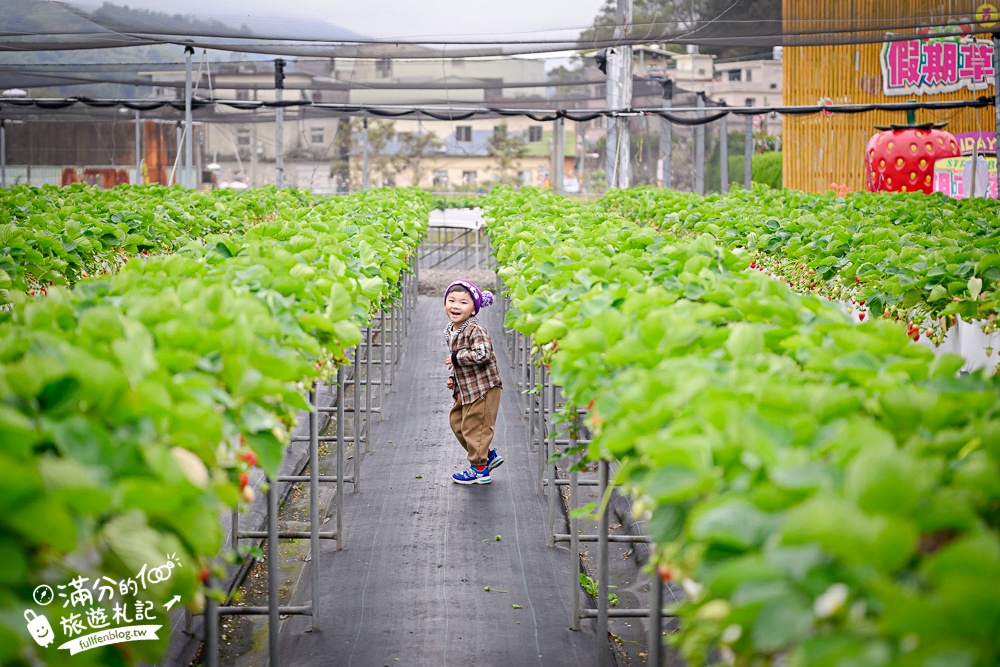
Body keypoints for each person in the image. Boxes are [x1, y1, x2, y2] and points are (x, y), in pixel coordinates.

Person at [444, 280, 504, 484]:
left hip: (483, 387)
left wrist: (456, 358)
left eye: (463, 302)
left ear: (473, 310)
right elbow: (457, 358)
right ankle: (487, 454)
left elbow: (483, 354)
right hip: (467, 386)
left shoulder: (475, 329)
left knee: (474, 427)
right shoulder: (451, 329)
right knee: (456, 422)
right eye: (451, 300)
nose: (455, 306)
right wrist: (453, 377)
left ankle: (479, 470)